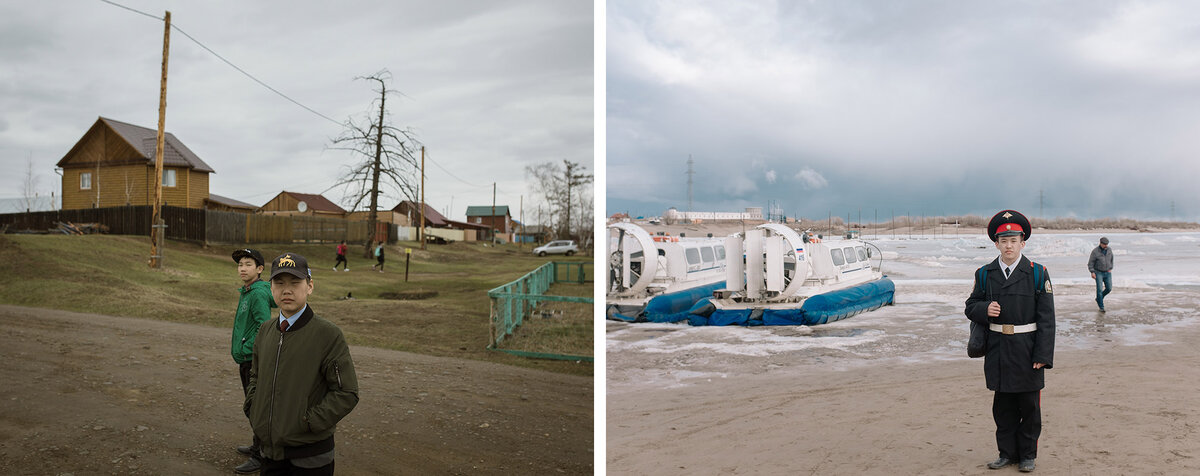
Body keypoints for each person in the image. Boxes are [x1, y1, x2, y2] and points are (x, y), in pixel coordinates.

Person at [245, 252, 359, 475]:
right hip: (269, 453)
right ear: (271, 288)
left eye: (295, 283)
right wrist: (253, 408)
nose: (286, 290)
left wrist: (308, 422)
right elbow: (256, 377)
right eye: (279, 283)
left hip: (311, 458)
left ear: (309, 286)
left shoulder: (328, 335)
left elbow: (347, 392)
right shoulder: (265, 331)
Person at [965, 210, 1055, 473]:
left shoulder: (1037, 273)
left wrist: (1043, 355)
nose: (1008, 245)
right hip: (998, 349)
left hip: (1028, 350)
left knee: (1029, 407)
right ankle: (1006, 453)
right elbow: (970, 306)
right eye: (1003, 240)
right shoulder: (984, 274)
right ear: (996, 243)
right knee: (1002, 407)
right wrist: (984, 309)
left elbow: (1047, 319)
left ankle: (1027, 455)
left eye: (1013, 240)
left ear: (1022, 243)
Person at [230, 248, 274, 474]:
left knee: (255, 407)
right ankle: (258, 445)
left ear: (259, 269)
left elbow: (263, 325)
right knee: (252, 405)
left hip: (252, 359)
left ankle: (261, 455)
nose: (242, 268)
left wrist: (248, 348)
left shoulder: (256, 293)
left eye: (248, 264)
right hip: (246, 358)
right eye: (240, 264)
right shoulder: (247, 291)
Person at [1088, 237, 1114, 311]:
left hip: (1107, 272)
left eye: (1107, 244)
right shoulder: (1095, 251)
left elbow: (1112, 259)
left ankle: (1099, 298)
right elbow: (1090, 263)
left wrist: (1110, 268)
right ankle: (1101, 307)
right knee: (1099, 289)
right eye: (1104, 244)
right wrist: (1092, 272)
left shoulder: (1109, 250)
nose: (1106, 245)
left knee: (1109, 288)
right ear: (1100, 243)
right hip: (1098, 272)